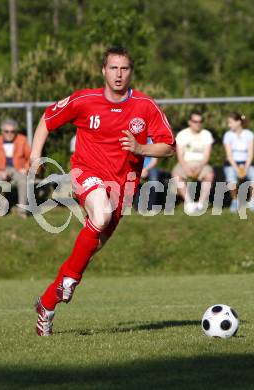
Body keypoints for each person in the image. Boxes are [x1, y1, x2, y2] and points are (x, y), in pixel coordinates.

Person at [31, 46, 175, 336]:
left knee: (92, 247)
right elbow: (47, 119)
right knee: (102, 213)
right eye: (113, 68)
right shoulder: (85, 99)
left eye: (124, 69)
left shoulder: (146, 106)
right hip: (86, 172)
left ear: (131, 72)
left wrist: (141, 148)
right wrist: (36, 157)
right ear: (103, 71)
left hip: (123, 186)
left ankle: (46, 304)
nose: (119, 74)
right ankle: (70, 279)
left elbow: (169, 146)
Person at [171, 110, 214, 214]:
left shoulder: (206, 134)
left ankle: (200, 204)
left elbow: (206, 156)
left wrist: (200, 167)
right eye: (195, 121)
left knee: (209, 175)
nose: (198, 124)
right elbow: (180, 155)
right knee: (175, 174)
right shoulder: (182, 134)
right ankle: (189, 203)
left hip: (201, 163)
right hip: (185, 163)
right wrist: (185, 167)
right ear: (190, 122)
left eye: (200, 121)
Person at [0, 118, 31, 217]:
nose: (9, 133)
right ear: (2, 131)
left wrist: (26, 168)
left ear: (15, 131)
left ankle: (22, 211)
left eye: (12, 131)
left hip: (18, 169)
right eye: (6, 131)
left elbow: (30, 157)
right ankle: (0, 207)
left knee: (24, 181)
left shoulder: (22, 140)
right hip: (0, 169)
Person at [223, 112, 254, 212]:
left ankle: (252, 202)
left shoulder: (249, 134)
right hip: (232, 164)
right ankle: (235, 201)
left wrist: (245, 168)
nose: (229, 125)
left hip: (246, 163)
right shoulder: (228, 135)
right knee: (231, 179)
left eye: (230, 122)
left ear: (238, 122)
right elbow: (229, 155)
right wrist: (238, 170)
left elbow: (250, 153)